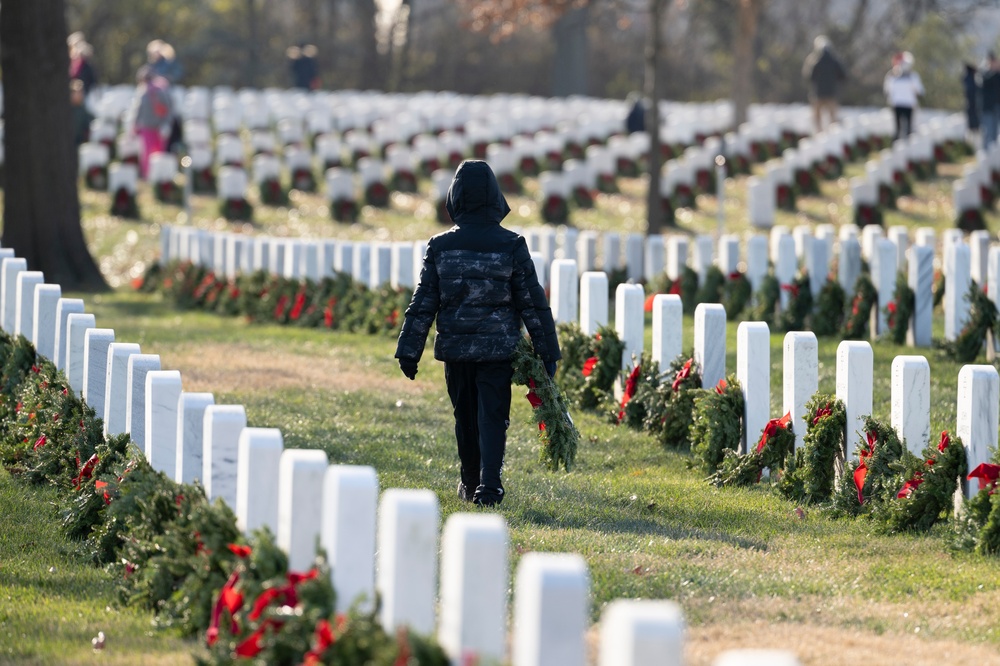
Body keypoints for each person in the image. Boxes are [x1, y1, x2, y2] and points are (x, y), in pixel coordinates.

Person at [394, 160, 561, 508]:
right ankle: (490, 483)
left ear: (455, 198)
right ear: (495, 197)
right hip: (498, 349)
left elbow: (424, 302)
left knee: (465, 415)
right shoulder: (512, 245)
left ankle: (471, 480)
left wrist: (409, 349)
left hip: (457, 349)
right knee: (492, 415)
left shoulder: (440, 246)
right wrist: (548, 350)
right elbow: (532, 301)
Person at [131, 65, 174, 178]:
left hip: (150, 127)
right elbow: (168, 109)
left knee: (148, 153)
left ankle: (149, 175)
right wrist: (166, 124)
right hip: (156, 126)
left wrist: (135, 125)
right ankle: (157, 176)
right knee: (158, 153)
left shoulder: (145, 93)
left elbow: (138, 111)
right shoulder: (160, 91)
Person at [802, 35, 846, 134]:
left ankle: (819, 134)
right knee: (833, 118)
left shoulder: (814, 60)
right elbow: (843, 75)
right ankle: (834, 135)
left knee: (817, 118)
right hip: (831, 93)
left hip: (818, 94)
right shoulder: (835, 60)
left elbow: (809, 76)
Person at [883, 51, 924, 141]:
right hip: (904, 104)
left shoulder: (893, 76)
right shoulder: (911, 76)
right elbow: (920, 91)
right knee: (903, 128)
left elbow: (887, 90)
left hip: (901, 104)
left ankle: (903, 144)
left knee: (903, 127)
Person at [980, 53, 1000, 150]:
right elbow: (985, 82)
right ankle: (986, 154)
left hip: (997, 106)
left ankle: (994, 156)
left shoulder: (997, 74)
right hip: (988, 108)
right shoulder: (985, 73)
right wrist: (995, 71)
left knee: (995, 133)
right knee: (988, 131)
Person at [70, 79, 93, 147]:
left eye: (81, 92)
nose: (80, 95)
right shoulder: (66, 110)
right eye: (77, 92)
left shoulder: (83, 109)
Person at [963, 62, 981, 141]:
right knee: (973, 124)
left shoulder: (969, 79)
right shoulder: (971, 79)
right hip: (973, 104)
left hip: (972, 104)